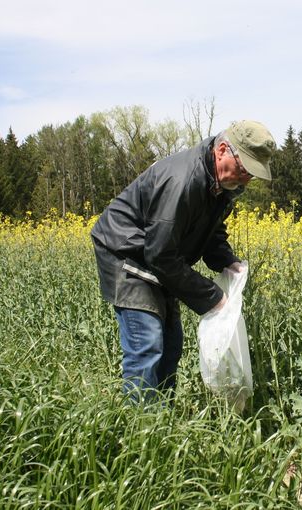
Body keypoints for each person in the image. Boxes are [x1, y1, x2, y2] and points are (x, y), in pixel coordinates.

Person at [90, 120, 276, 402]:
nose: (246, 179)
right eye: (244, 169)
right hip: (126, 252)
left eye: (252, 174)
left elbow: (210, 232)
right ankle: (140, 432)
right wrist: (214, 297)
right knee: (148, 344)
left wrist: (227, 261)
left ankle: (162, 422)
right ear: (223, 150)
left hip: (157, 254)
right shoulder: (183, 181)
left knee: (172, 345)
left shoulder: (221, 184)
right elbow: (160, 255)